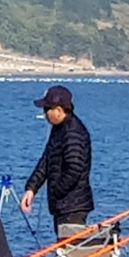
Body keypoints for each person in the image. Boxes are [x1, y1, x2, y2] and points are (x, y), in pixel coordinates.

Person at [20, 85, 95, 234]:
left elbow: (74, 169)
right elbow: (47, 160)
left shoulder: (73, 133)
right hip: (63, 206)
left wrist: (57, 191)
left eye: (47, 109)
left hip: (74, 207)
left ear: (59, 111)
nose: (45, 113)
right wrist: (31, 189)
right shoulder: (58, 129)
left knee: (70, 251)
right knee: (63, 248)